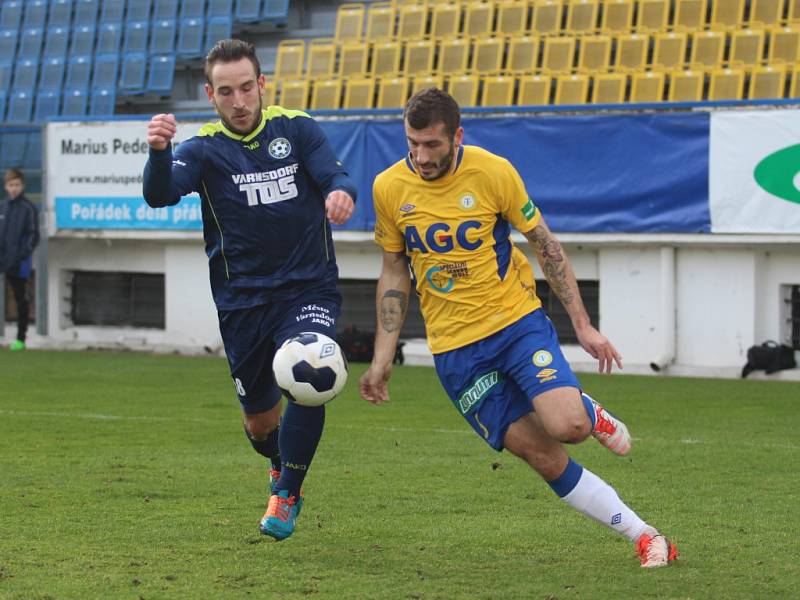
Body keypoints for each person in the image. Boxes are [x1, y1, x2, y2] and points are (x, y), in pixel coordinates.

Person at [359, 88, 678, 568]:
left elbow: (544, 244)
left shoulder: (493, 172)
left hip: (515, 323)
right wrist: (383, 357)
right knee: (543, 456)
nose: (421, 157)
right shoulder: (389, 187)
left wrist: (584, 326)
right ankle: (646, 536)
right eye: (412, 144)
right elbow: (394, 270)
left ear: (457, 136)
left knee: (566, 426)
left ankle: (585, 411)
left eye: (432, 145)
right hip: (455, 353)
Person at [143, 39, 356, 541]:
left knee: (312, 370)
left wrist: (341, 192)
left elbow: (333, 173)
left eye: (245, 88)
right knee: (260, 425)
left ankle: (287, 493)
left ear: (261, 84)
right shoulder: (201, 150)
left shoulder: (296, 128)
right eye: (225, 92)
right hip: (243, 304)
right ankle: (278, 461)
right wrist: (158, 153)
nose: (239, 101)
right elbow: (159, 196)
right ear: (210, 95)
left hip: (308, 288)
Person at [0, 168, 40, 351]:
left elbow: (33, 236)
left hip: (19, 262)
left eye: (16, 185)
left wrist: (21, 255)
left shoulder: (28, 208)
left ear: (22, 185)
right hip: (3, 259)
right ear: (6, 187)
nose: (13, 188)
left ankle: (20, 338)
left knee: (21, 300)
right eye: (10, 185)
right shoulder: (3, 207)